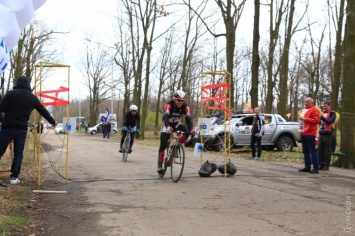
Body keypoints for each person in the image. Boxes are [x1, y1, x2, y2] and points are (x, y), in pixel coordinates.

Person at [0, 76, 56, 185]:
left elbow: (1, 108)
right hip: (21, 129)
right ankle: (14, 177)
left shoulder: (10, 94)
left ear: (17, 83)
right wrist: (52, 121)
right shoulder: (32, 98)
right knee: (18, 153)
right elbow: (43, 110)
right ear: (28, 85)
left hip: (8, 127)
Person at [157, 90, 195, 174]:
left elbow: (188, 118)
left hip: (176, 123)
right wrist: (167, 126)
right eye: (178, 100)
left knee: (187, 131)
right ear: (174, 99)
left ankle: (176, 146)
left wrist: (191, 129)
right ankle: (160, 165)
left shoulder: (186, 107)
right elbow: (166, 116)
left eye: (182, 101)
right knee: (163, 143)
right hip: (167, 124)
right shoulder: (169, 105)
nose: (180, 102)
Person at [298, 97, 321, 174]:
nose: (305, 103)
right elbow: (302, 120)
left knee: (313, 151)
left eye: (307, 102)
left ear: (312, 102)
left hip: (310, 133)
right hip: (303, 132)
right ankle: (307, 167)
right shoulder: (303, 109)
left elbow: (317, 120)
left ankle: (315, 168)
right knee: (305, 151)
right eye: (305, 102)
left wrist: (305, 119)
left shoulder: (315, 109)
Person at [318, 102, 336, 171]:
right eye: (323, 106)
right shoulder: (323, 113)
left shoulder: (332, 113)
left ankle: (326, 165)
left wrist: (321, 117)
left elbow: (329, 122)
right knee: (320, 150)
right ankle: (321, 164)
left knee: (327, 150)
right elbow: (319, 122)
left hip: (328, 134)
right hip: (322, 133)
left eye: (325, 106)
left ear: (329, 106)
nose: (324, 108)